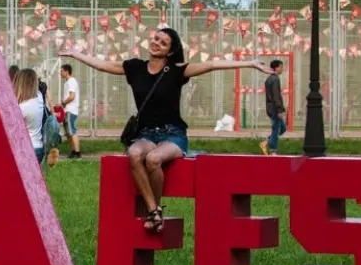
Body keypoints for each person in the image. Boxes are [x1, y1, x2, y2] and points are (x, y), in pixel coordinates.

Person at [63, 28, 272, 232]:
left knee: (153, 159)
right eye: (155, 38)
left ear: (170, 51)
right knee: (134, 153)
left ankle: (155, 209)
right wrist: (75, 54)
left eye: (163, 42)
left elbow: (212, 64)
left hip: (173, 134)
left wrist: (250, 63)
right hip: (145, 133)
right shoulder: (135, 67)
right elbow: (103, 65)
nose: (156, 43)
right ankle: (154, 210)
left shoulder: (176, 70)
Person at [260, 59, 286, 155]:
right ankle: (273, 150)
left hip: (273, 107)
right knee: (276, 129)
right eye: (281, 67)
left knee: (282, 128)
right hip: (275, 108)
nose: (282, 69)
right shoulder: (275, 79)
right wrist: (279, 110)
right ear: (276, 68)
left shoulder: (270, 79)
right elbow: (276, 96)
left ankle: (267, 141)